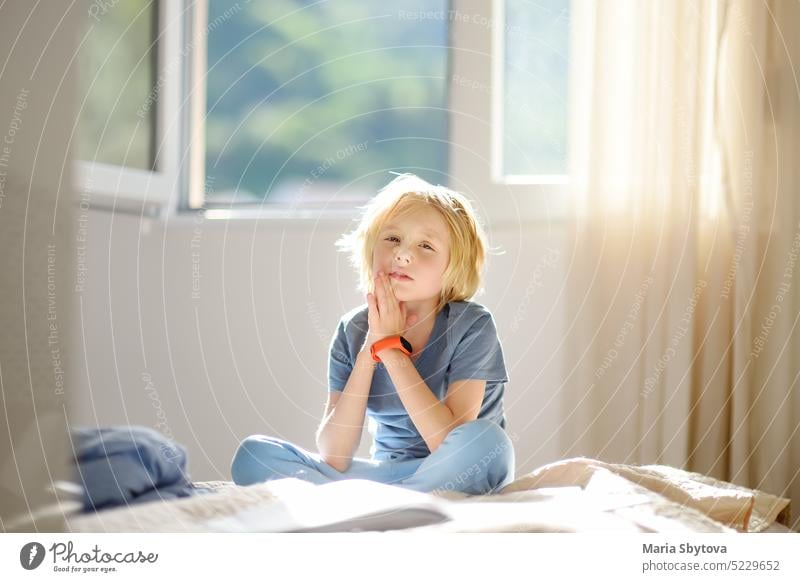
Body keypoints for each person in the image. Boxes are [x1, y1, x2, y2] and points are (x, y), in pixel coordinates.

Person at [230, 174, 515, 495]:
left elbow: (447, 440)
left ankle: (372, 499)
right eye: (392, 239)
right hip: (386, 474)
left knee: (487, 443)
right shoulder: (352, 330)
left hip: (457, 467)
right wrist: (370, 347)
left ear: (454, 266)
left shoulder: (472, 325)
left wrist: (392, 351)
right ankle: (395, 498)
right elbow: (335, 455)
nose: (403, 254)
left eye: (425, 245)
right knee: (254, 455)